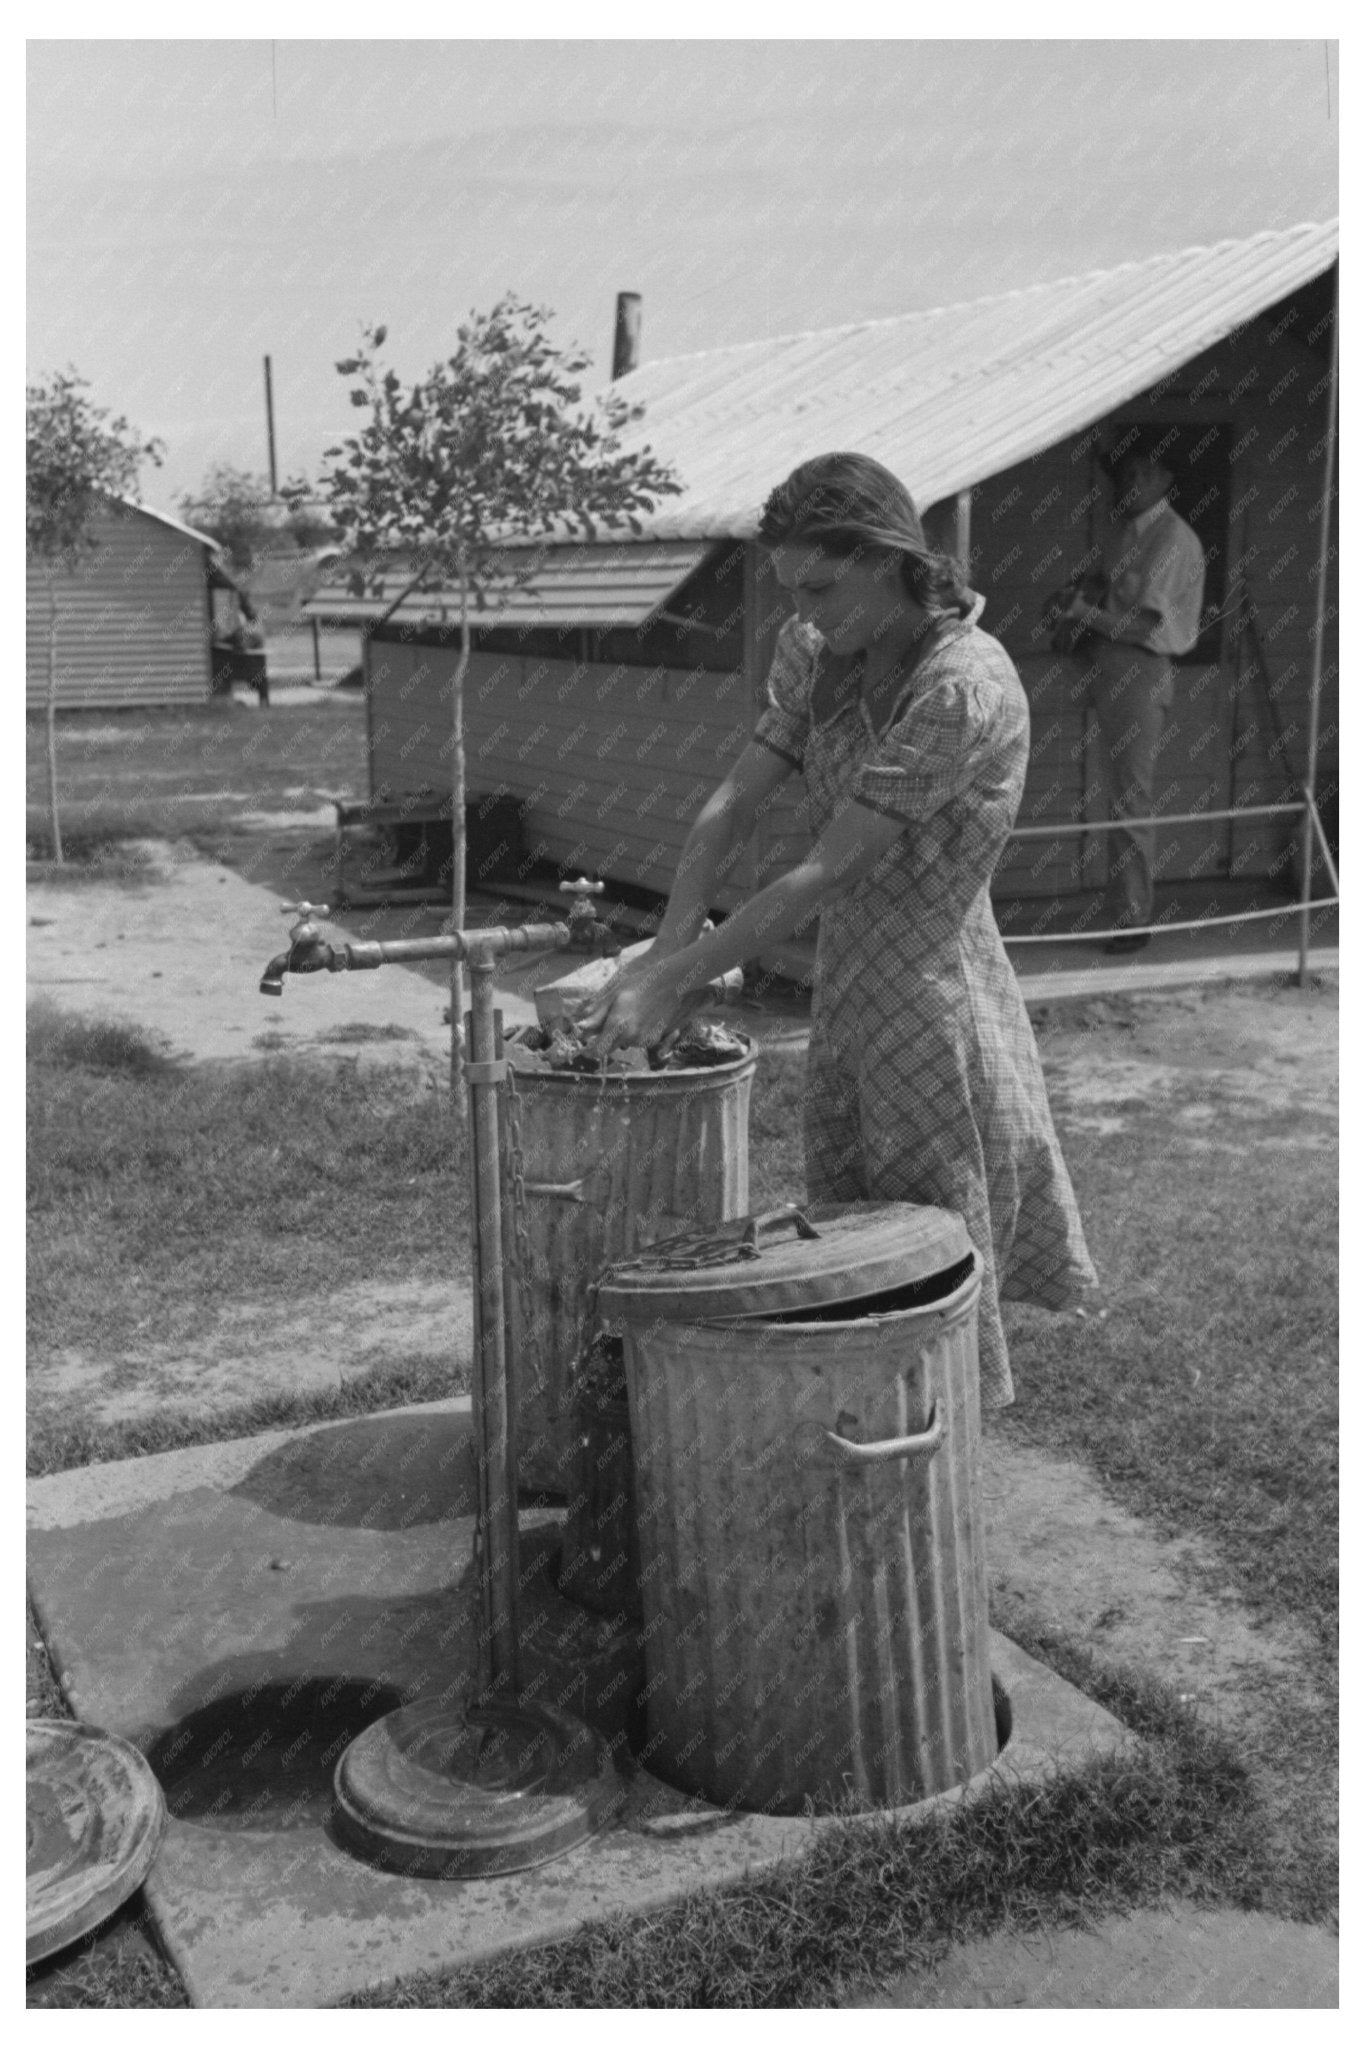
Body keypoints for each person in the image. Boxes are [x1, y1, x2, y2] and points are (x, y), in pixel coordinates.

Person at [587, 451, 1096, 1409]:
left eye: (822, 585)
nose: (807, 609)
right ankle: (870, 1431)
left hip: (930, 997)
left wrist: (682, 975)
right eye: (792, 590)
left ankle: (937, 1451)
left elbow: (830, 867)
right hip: (850, 985)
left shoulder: (961, 687)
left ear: (890, 555)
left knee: (928, 1235)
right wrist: (667, 950)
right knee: (855, 1234)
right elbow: (732, 802)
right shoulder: (821, 652)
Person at [1063, 433, 1206, 953]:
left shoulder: (1172, 539)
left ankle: (1133, 917)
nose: (1133, 481)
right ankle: (1114, 905)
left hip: (1141, 667)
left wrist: (1084, 615)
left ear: (1168, 479)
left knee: (1129, 796)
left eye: (1146, 471)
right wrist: (1078, 598)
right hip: (1103, 660)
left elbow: (1142, 625)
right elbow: (1105, 585)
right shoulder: (1125, 530)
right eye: (1127, 472)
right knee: (1109, 789)